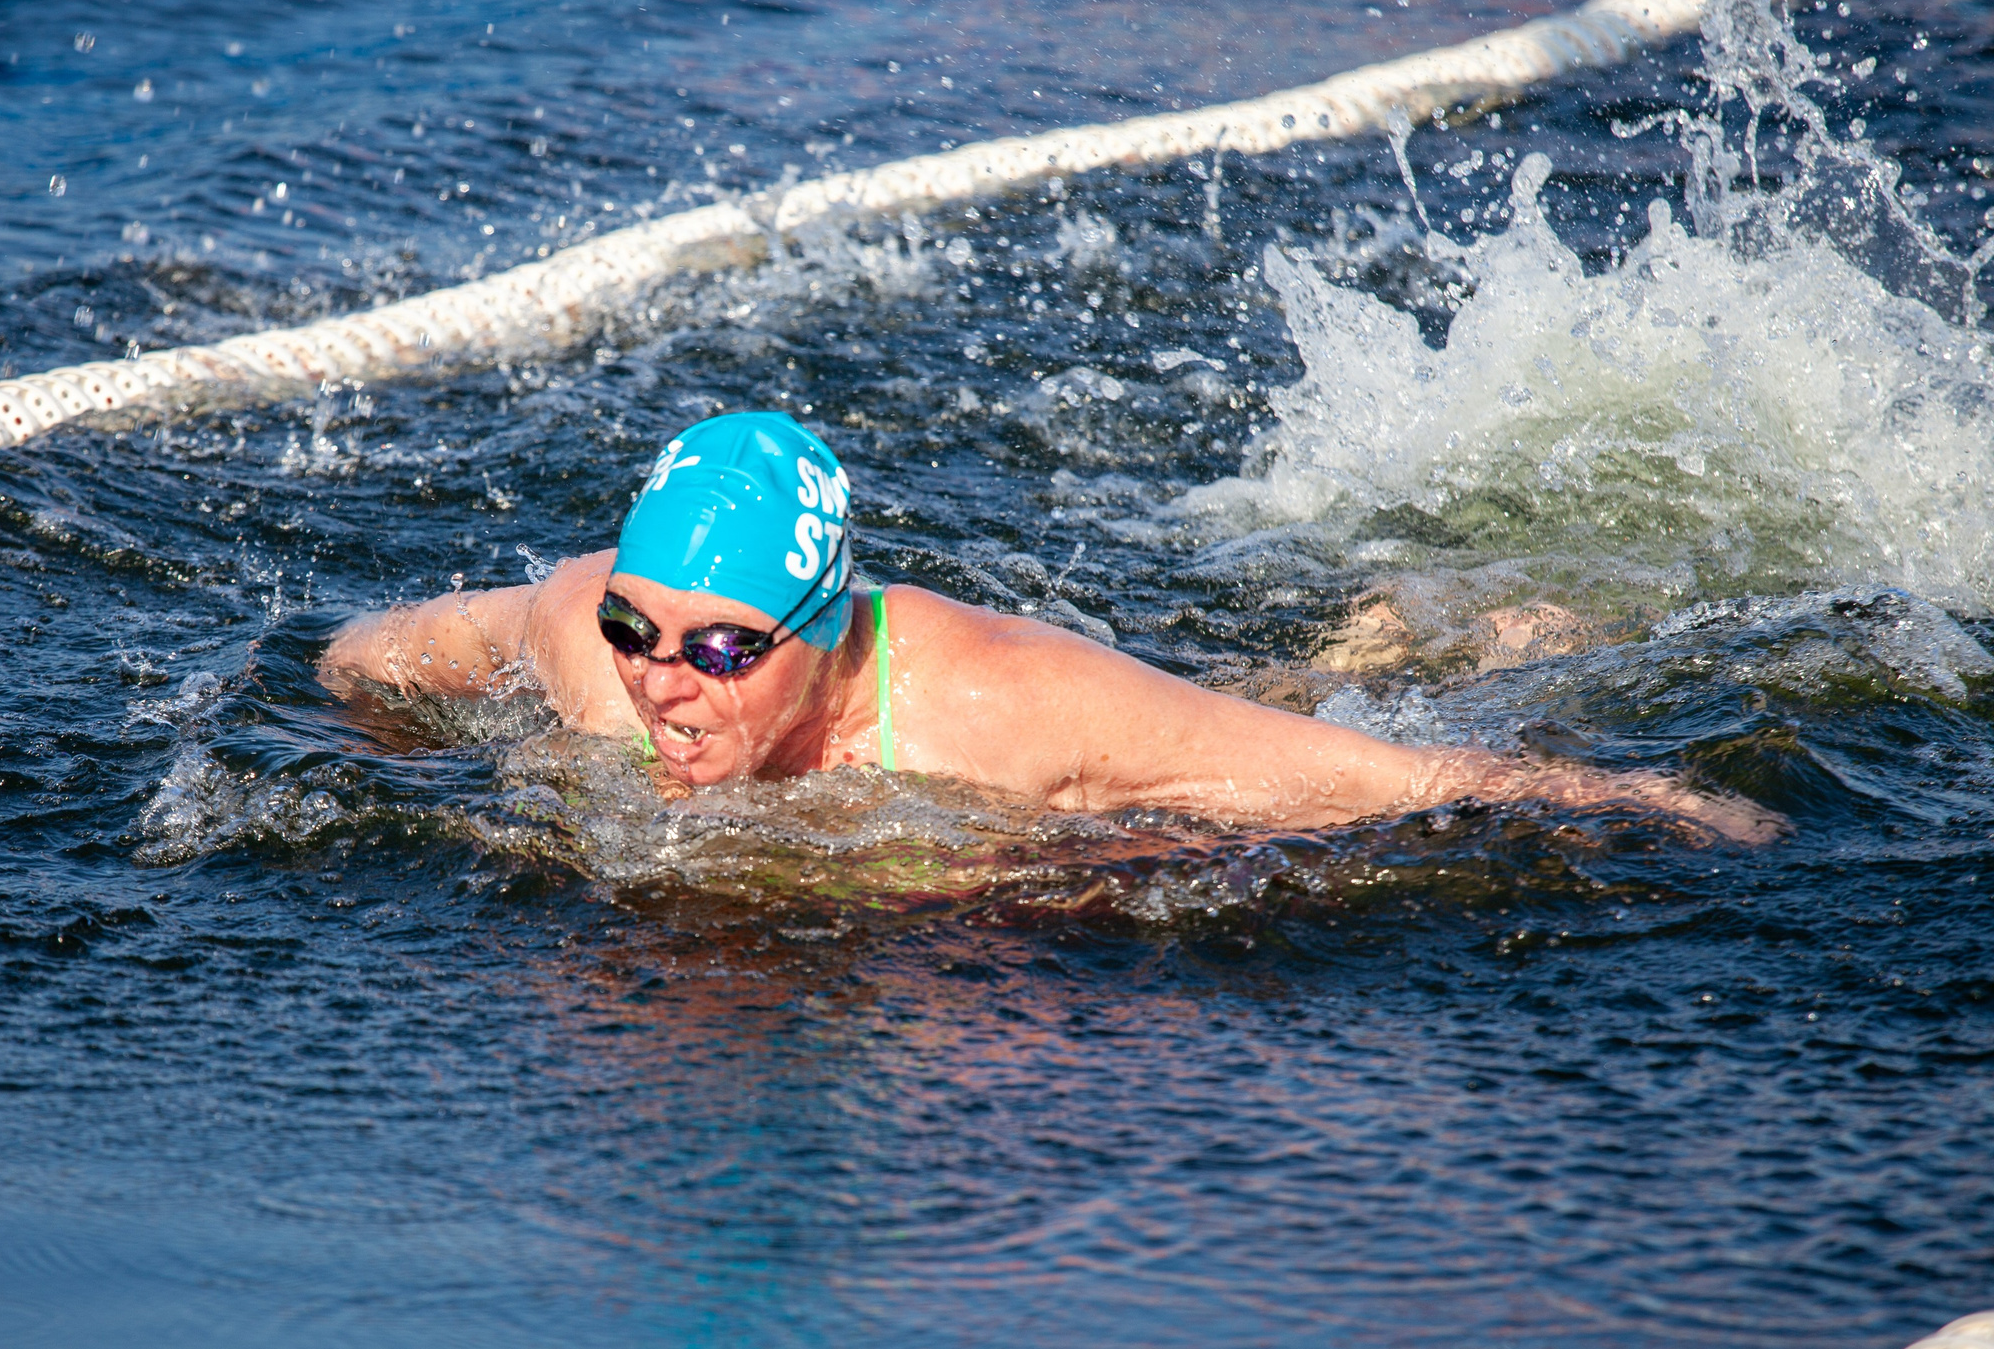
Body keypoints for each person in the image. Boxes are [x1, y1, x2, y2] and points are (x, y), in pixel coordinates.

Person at [320, 412, 1776, 839]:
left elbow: (1383, 793)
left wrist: (1641, 799)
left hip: (1097, 728)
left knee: (1307, 715)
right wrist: (398, 757)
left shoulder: (1005, 716)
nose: (661, 687)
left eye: (718, 650)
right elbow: (361, 657)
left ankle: (1474, 627)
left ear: (824, 633)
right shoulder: (590, 643)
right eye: (644, 633)